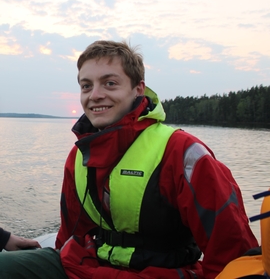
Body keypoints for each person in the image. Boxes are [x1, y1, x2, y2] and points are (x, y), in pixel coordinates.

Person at [0, 40, 258, 278]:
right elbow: (70, 235)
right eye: (86, 86)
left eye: (110, 83)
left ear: (138, 89)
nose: (95, 95)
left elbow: (232, 250)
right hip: (84, 267)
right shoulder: (79, 156)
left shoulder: (181, 152)